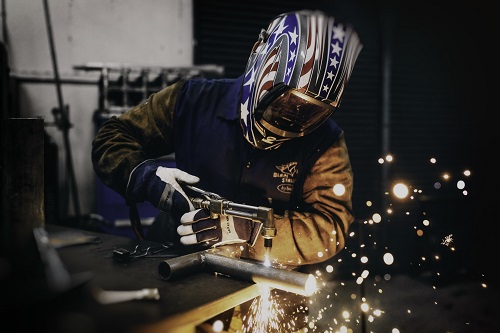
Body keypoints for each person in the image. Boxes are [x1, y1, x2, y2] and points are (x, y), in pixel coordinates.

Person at [92, 9, 362, 332]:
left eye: (309, 115)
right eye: (286, 105)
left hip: (269, 290)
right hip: (180, 268)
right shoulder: (190, 100)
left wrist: (247, 231)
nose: (291, 122)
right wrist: (150, 179)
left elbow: (332, 226)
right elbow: (110, 139)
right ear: (259, 60)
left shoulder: (326, 141)